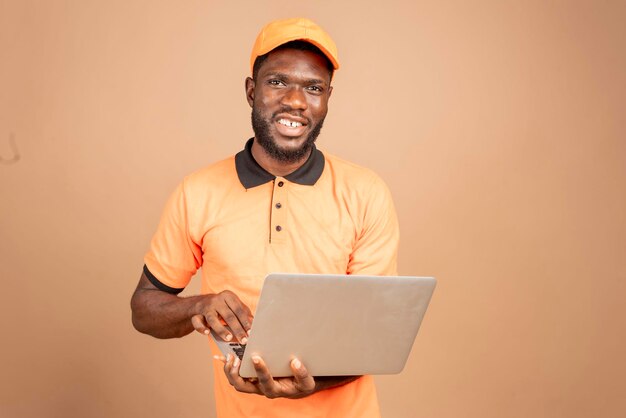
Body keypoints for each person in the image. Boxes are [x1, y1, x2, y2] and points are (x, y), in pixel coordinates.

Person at [131, 17, 399, 418]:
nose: (295, 100)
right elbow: (144, 307)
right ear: (251, 90)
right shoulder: (198, 191)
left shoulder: (365, 192)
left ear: (327, 99)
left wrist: (306, 381)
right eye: (278, 82)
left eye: (313, 88)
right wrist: (197, 307)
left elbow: (374, 333)